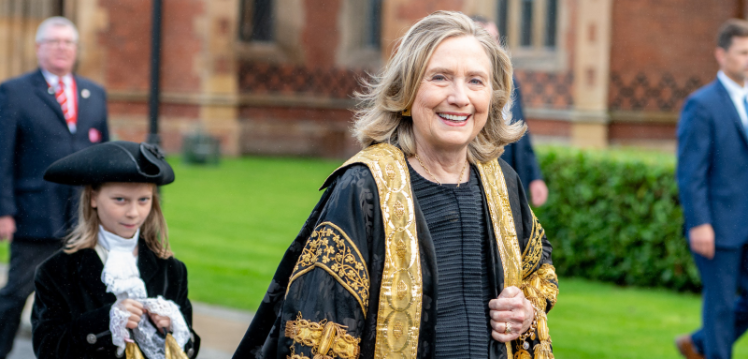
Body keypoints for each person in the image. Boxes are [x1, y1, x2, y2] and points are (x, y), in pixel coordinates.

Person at [234, 11, 558, 359]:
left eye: (476, 81)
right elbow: (319, 332)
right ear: (405, 90)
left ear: (493, 97)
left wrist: (525, 307)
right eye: (440, 77)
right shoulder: (363, 189)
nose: (460, 97)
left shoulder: (502, 182)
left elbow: (538, 269)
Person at [0, 16, 109, 357]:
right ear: (39, 48)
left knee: (79, 297)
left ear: (76, 50)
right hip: (34, 215)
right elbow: (2, 155)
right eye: (54, 41)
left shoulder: (94, 93)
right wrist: (4, 210)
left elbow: (102, 156)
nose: (62, 48)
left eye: (68, 42)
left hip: (81, 219)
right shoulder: (14, 92)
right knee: (17, 293)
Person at [32, 141, 200, 359]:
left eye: (143, 200)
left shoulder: (171, 269)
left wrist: (175, 329)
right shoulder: (56, 271)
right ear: (93, 198)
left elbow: (188, 351)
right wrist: (105, 322)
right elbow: (47, 349)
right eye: (120, 200)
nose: (133, 212)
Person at [675, 19, 748, 359]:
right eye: (743, 52)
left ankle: (699, 343)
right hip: (717, 226)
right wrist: (699, 222)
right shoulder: (701, 105)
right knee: (719, 306)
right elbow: (691, 173)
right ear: (722, 55)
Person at [472, 16, 549, 207]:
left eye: (497, 38)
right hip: (479, 183)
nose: (496, 46)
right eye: (488, 38)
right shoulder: (467, 88)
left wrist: (535, 177)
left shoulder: (510, 81)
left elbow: (522, 130)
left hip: (513, 181)